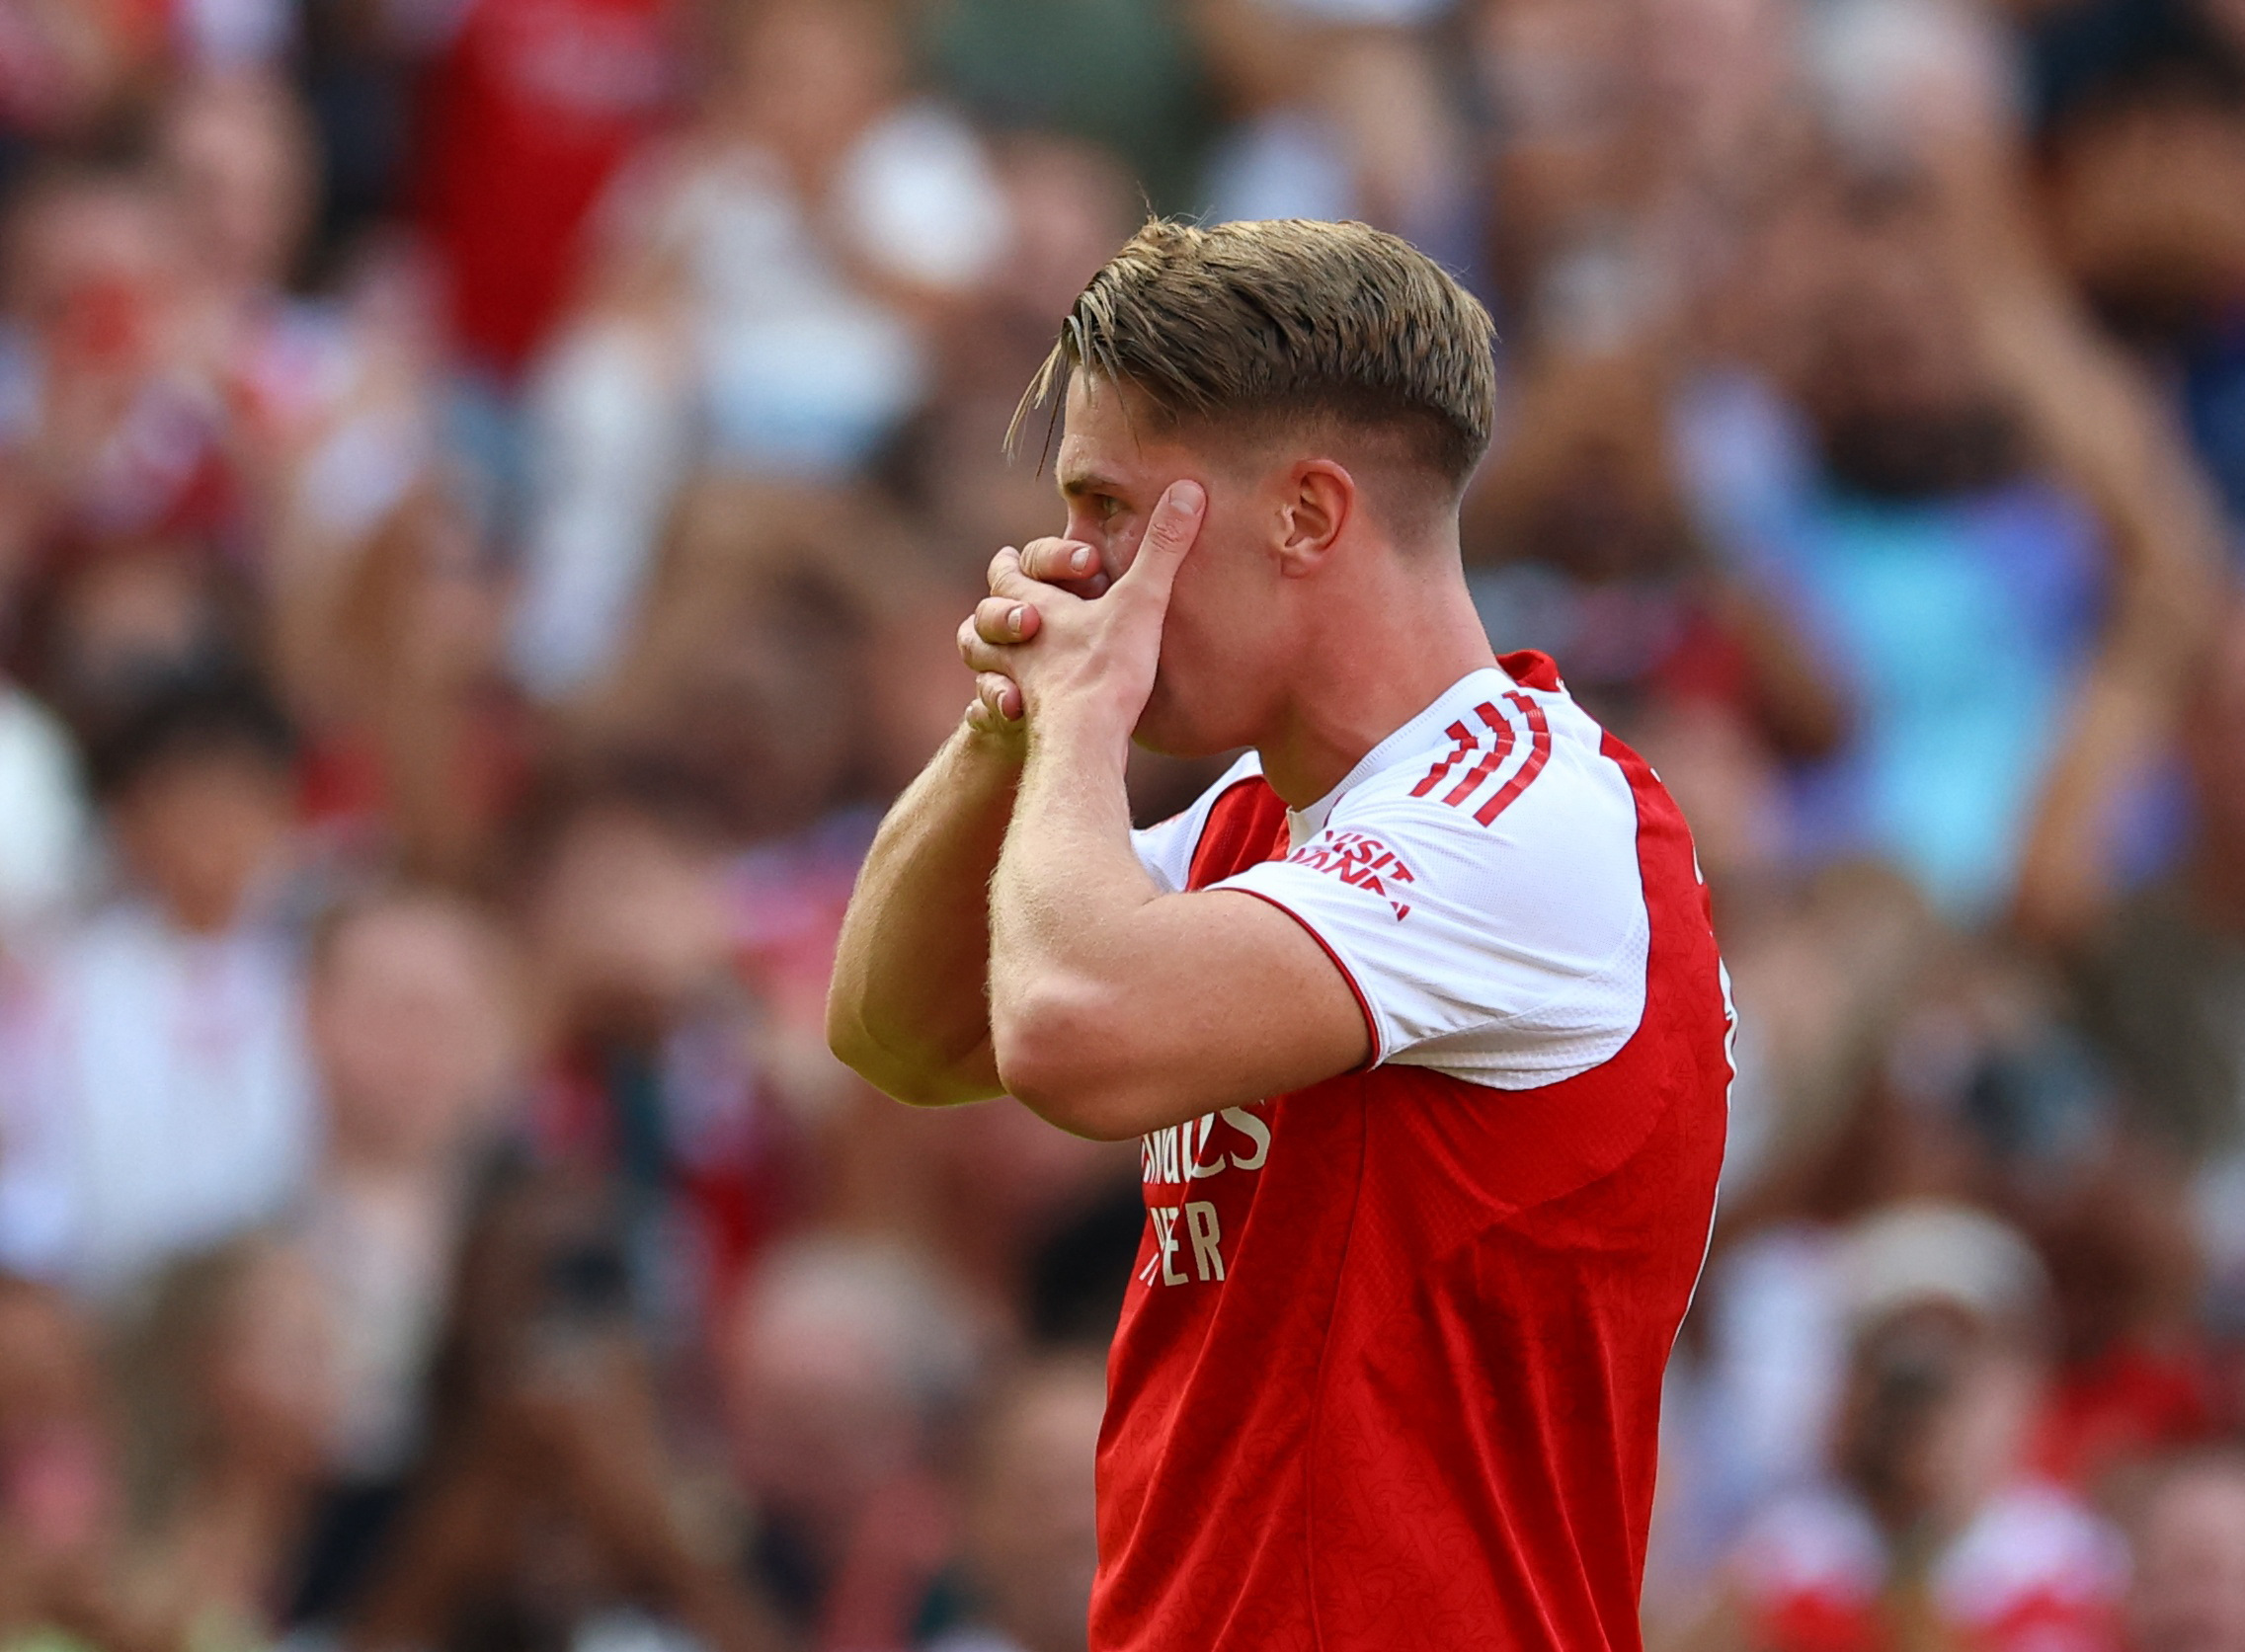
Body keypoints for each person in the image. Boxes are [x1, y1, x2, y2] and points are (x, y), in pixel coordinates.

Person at [828, 218, 1733, 1651]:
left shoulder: (1524, 818)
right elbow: (899, 1027)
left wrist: (1079, 724)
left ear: (1306, 516)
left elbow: (1071, 1032)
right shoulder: (1265, 814)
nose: (1075, 563)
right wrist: (1006, 724)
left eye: (1111, 507)